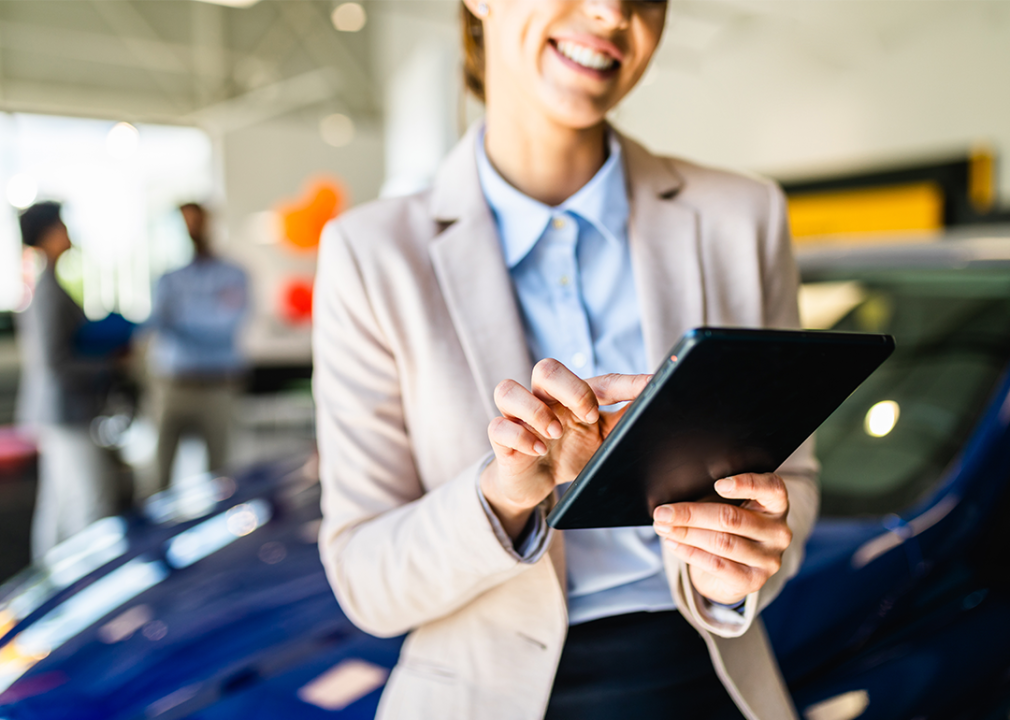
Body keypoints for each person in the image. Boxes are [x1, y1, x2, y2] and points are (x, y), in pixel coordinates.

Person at [312, 1, 820, 718]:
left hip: (710, 681)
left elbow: (789, 481)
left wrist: (741, 565)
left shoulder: (744, 217)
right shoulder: (372, 256)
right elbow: (366, 579)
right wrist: (505, 495)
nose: (613, 11)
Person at [15, 201, 118, 559]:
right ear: (48, 234)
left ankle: (50, 583)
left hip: (59, 408)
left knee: (59, 503)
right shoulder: (47, 291)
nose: (68, 233)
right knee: (92, 500)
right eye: (61, 225)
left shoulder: (50, 285)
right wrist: (109, 365)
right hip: (63, 409)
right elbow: (54, 362)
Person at [147, 202, 248, 491]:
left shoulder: (234, 274)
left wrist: (181, 317)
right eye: (184, 223)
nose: (191, 230)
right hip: (173, 385)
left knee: (221, 478)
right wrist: (204, 313)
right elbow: (159, 323)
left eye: (196, 222)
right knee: (158, 478)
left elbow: (225, 326)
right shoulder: (167, 278)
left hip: (217, 385)